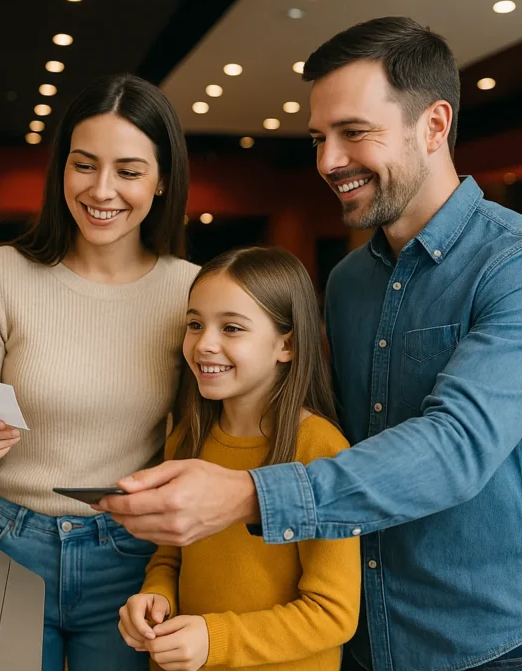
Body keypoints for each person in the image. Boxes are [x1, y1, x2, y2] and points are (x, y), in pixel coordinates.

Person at [98, 17, 522, 671]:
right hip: (366, 636)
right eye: (319, 138)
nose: (328, 162)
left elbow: (456, 448)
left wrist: (248, 493)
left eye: (354, 133)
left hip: (490, 640)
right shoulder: (349, 282)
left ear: (435, 125)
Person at [0, 73, 200, 671]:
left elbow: (205, 435)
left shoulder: (188, 291)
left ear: (162, 182)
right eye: (84, 165)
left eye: (129, 171)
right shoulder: (0, 273)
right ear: (61, 170)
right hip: (8, 541)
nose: (102, 190)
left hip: (129, 553)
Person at [117, 247, 360, 671]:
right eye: (195, 324)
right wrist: (157, 597)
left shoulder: (321, 450)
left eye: (231, 327)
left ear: (286, 345)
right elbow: (170, 555)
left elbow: (333, 613)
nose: (205, 344)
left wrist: (216, 639)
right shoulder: (187, 439)